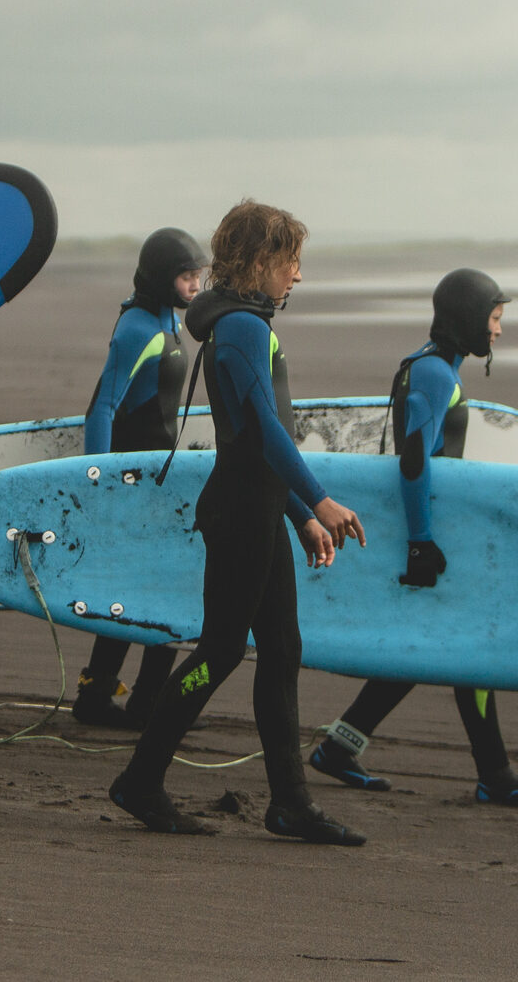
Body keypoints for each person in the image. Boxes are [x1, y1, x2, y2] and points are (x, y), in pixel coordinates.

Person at [108, 200, 368, 844]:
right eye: (291, 262)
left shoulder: (247, 323)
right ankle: (141, 779)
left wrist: (300, 514)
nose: (297, 277)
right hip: (240, 516)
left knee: (282, 652)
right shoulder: (246, 329)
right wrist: (320, 499)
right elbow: (265, 430)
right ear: (261, 262)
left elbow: (253, 440)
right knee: (220, 652)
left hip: (256, 509)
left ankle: (290, 804)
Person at [307, 269, 518, 806]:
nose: (498, 331)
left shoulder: (436, 367)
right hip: (424, 532)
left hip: (431, 528)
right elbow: (414, 459)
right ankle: (493, 773)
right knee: (460, 646)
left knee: (428, 646)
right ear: (469, 318)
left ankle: (341, 746)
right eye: (494, 318)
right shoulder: (432, 374)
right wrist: (420, 540)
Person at [73, 227, 209, 729]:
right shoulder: (136, 328)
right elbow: (101, 408)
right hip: (133, 484)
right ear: (161, 278)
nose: (195, 285)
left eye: (199, 275)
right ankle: (138, 702)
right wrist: (98, 484)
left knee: (147, 590)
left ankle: (117, 698)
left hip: (158, 481)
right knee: (157, 591)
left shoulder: (169, 321)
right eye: (186, 276)